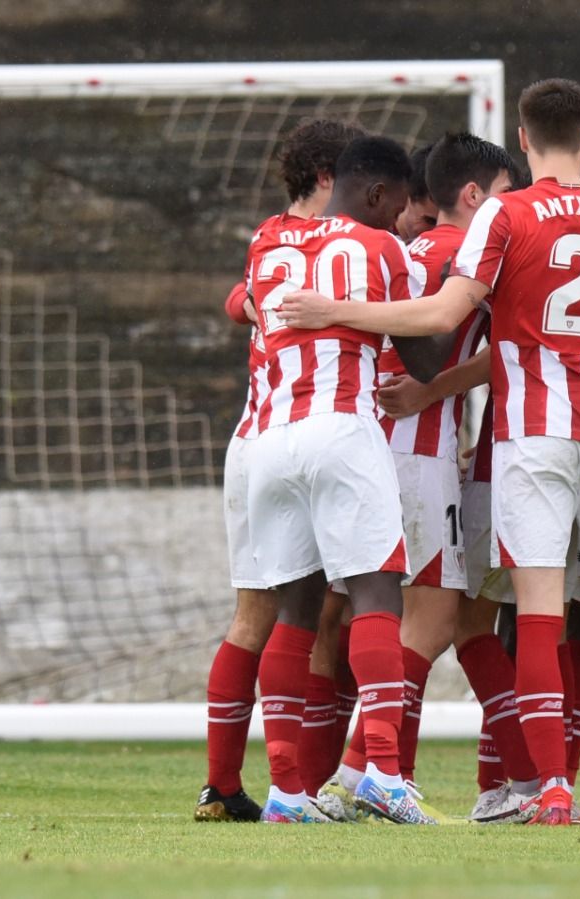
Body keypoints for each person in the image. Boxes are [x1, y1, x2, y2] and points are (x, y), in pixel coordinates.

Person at [276, 78, 580, 826]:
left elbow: (444, 313)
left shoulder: (505, 213)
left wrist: (333, 310)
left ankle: (553, 789)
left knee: (536, 610)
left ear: (524, 135)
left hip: (534, 432)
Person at [242, 134, 441, 825]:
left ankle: (286, 792)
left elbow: (244, 307)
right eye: (398, 206)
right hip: (342, 430)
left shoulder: (267, 243)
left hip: (269, 437)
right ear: (379, 195)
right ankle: (384, 771)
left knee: (293, 612)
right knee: (377, 591)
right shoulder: (384, 249)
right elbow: (424, 357)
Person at [326, 132, 520, 814]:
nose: (513, 208)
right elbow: (518, 346)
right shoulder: (470, 254)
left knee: (434, 621)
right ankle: (357, 774)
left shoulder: (411, 249)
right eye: (505, 195)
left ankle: (497, 784)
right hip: (417, 453)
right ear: (473, 195)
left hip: (380, 446)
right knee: (431, 625)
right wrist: (438, 395)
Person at [196, 118, 362, 823]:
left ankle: (225, 783)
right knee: (323, 607)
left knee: (257, 613)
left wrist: (245, 304)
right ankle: (299, 785)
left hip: (254, 440)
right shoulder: (353, 246)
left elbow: (240, 298)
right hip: (321, 435)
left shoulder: (266, 239)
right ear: (328, 179)